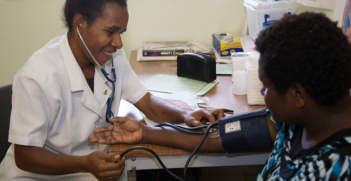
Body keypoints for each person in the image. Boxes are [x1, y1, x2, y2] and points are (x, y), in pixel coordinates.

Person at [89, 12, 351, 180]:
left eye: (266, 87)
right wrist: (146, 134)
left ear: (297, 95)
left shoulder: (338, 168)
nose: (262, 94)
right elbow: (221, 137)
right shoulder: (295, 123)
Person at [0, 0, 224, 180]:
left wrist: (184, 114)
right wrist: (83, 163)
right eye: (110, 31)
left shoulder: (110, 56)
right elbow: (25, 156)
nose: (118, 43)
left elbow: (146, 102)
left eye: (122, 33)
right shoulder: (37, 76)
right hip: (37, 175)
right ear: (80, 24)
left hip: (95, 167)